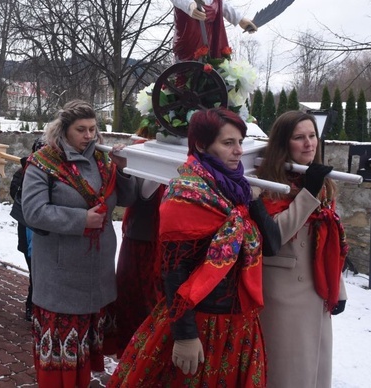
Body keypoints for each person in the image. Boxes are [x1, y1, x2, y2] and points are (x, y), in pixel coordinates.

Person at [109, 108, 275, 387]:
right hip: (201, 321)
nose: (238, 151)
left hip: (238, 322)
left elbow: (270, 246)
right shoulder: (185, 193)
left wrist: (254, 202)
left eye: (240, 143)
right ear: (200, 145)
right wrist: (185, 335)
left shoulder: (239, 190)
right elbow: (174, 270)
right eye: (228, 143)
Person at [22, 100, 137, 388]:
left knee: (84, 342)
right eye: (81, 130)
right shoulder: (43, 162)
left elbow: (127, 200)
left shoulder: (103, 159)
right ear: (63, 130)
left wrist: (123, 171)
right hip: (60, 270)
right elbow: (33, 211)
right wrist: (80, 219)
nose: (88, 136)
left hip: (96, 266)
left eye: (93, 129)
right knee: (62, 348)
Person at [253, 110, 348, 388]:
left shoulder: (318, 180)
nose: (309, 143)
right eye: (299, 138)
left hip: (317, 291)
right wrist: (308, 193)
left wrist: (338, 289)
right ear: (284, 144)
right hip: (282, 294)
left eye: (312, 136)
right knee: (288, 373)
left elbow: (330, 240)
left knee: (314, 373)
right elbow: (275, 236)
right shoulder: (266, 183)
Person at [112, 176, 165, 357]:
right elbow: (144, 193)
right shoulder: (143, 153)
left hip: (167, 245)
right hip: (141, 243)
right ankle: (132, 358)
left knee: (158, 307)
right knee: (137, 304)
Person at [9, 137, 46, 321]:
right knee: (34, 271)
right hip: (27, 229)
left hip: (47, 232)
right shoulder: (22, 171)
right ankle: (31, 305)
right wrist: (26, 174)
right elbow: (16, 196)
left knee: (44, 272)